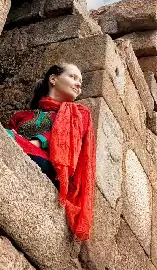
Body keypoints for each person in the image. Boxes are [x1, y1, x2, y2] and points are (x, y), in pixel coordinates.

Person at [6, 62, 96, 241]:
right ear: (53, 79)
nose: (79, 84)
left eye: (81, 81)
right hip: (22, 150)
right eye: (73, 77)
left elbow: (70, 139)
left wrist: (36, 142)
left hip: (52, 166)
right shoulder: (22, 116)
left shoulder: (80, 114)